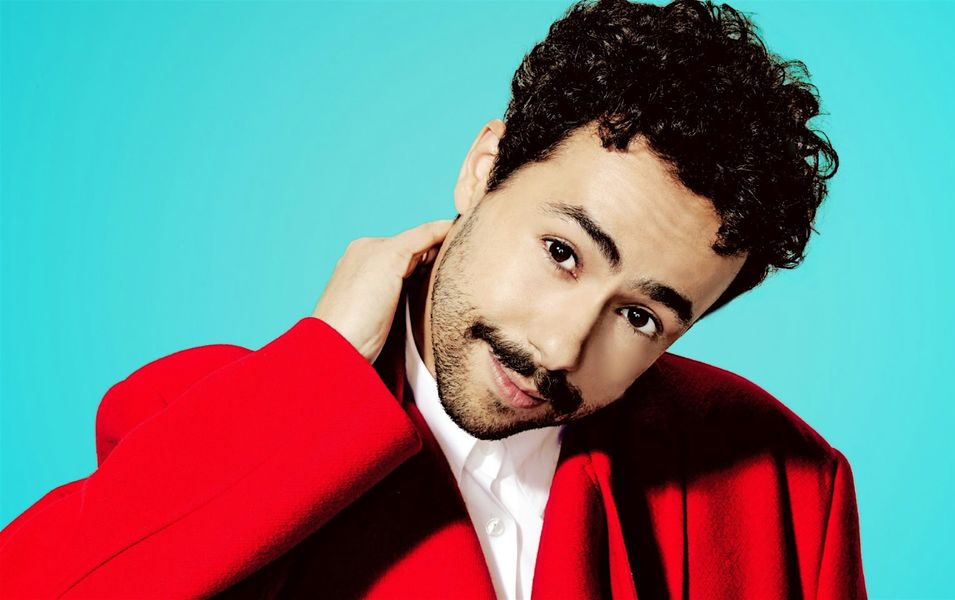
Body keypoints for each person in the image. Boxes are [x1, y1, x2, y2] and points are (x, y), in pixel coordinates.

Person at [0, 0, 866, 598]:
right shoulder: (213, 418)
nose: (561, 348)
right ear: (485, 168)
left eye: (641, 317)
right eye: (562, 253)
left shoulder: (784, 486)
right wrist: (322, 370)